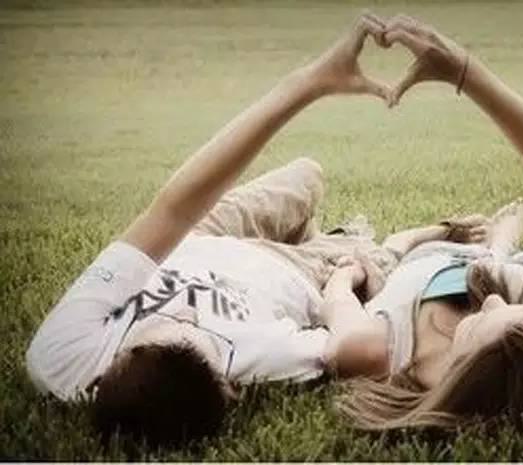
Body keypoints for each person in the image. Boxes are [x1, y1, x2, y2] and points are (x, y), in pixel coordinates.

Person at [25, 13, 488, 445]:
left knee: (307, 173)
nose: (184, 312)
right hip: (289, 271)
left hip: (197, 238)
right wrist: (345, 279)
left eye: (163, 325)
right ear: (231, 386)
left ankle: (322, 233)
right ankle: (407, 235)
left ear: (105, 372)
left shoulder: (62, 355)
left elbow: (172, 212)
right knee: (370, 258)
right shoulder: (268, 358)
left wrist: (310, 82)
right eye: (195, 329)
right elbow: (360, 342)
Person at [319, 13, 523, 430]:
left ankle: (483, 243)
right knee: (505, 271)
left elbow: (336, 298)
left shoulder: (371, 351)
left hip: (419, 267)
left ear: (465, 374)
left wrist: (345, 275)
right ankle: (497, 248)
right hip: (498, 269)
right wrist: (461, 69)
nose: (493, 301)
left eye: (480, 324)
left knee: (398, 249)